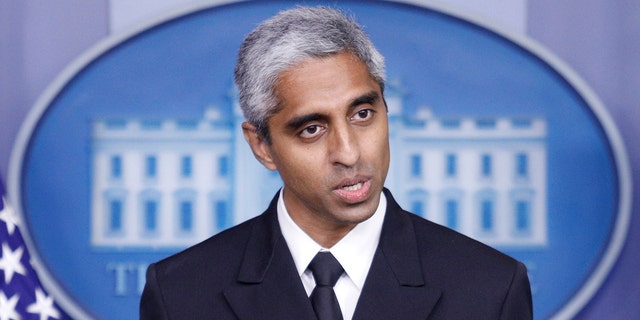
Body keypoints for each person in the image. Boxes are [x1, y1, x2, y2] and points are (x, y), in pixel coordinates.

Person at [140, 6, 533, 320]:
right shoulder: (180, 293)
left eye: (362, 114)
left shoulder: (491, 288)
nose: (349, 152)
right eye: (311, 129)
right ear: (261, 145)